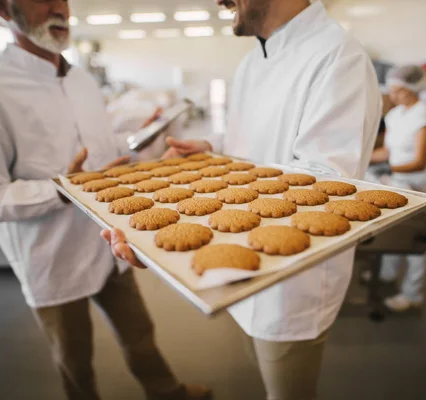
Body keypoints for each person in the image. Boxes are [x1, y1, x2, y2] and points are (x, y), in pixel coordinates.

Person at [103, 0, 382, 399]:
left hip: (292, 278)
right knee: (257, 359)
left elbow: (323, 190)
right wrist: (211, 150)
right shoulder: (253, 61)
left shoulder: (337, 56)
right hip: (241, 263)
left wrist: (174, 232)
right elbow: (253, 145)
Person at [0, 1, 210, 399]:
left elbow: (102, 162)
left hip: (108, 241)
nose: (59, 7)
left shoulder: (82, 82)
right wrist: (60, 188)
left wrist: (146, 155)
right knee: (75, 362)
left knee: (140, 335)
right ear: (4, 8)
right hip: (51, 257)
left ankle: (167, 393)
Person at [369, 64, 426, 312]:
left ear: (411, 90)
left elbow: (420, 160)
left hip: (422, 185)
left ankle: (412, 293)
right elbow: (388, 151)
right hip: (397, 181)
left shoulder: (424, 116)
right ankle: (388, 274)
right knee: (394, 228)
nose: (392, 95)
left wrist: (390, 169)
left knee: (417, 236)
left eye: (397, 91)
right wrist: (364, 158)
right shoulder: (395, 114)